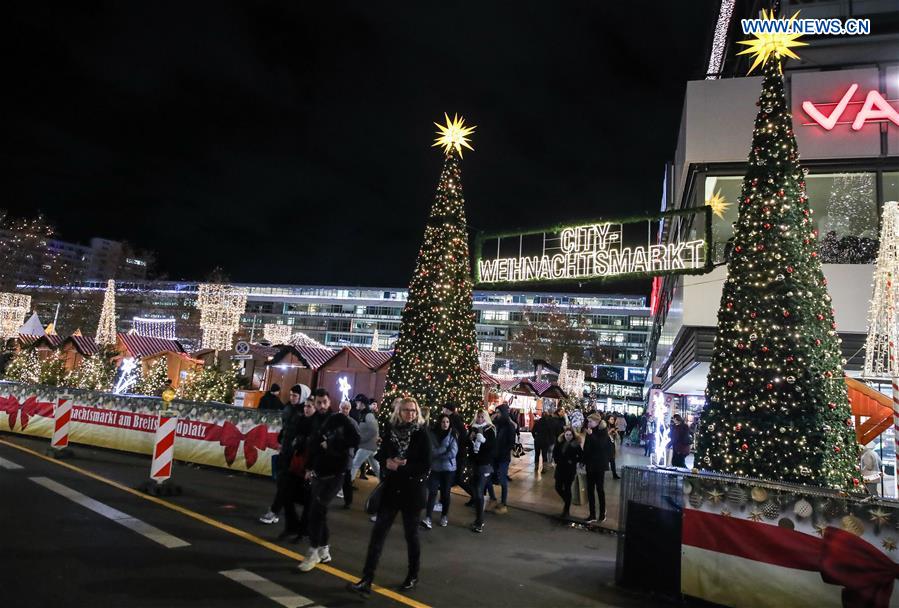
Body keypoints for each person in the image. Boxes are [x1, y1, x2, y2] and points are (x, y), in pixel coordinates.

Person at [349, 398, 432, 596]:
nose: (410, 414)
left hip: (412, 492)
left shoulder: (421, 433)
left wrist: (403, 466)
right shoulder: (391, 430)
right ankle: (367, 579)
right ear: (399, 412)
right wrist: (387, 460)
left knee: (411, 536)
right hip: (392, 490)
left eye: (413, 411)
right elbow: (382, 453)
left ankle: (412, 575)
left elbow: (426, 464)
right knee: (378, 534)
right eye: (406, 410)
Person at [298, 389, 360, 572]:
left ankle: (313, 551)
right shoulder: (313, 421)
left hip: (336, 473)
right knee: (319, 511)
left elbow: (356, 439)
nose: (321, 406)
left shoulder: (339, 419)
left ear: (329, 401)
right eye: (318, 402)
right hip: (319, 472)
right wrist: (308, 467)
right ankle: (324, 549)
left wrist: (332, 443)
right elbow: (312, 446)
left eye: (324, 402)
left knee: (316, 509)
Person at [259, 384, 310, 525]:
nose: (292, 397)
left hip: (295, 454)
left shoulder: (304, 412)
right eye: (291, 394)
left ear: (302, 396)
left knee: (286, 484)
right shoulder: (288, 407)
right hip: (285, 450)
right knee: (283, 483)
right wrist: (281, 440)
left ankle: (275, 511)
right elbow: (285, 428)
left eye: (295, 396)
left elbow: (303, 434)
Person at [279, 398, 317, 541]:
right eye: (305, 406)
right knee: (285, 494)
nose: (306, 409)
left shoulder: (317, 424)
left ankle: (302, 531)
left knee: (308, 502)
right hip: (296, 463)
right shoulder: (300, 421)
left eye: (310, 406)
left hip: (308, 467)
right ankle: (292, 526)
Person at [422, 413, 458, 529]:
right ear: (439, 423)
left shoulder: (453, 435)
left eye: (447, 422)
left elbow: (453, 452)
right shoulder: (433, 434)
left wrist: (439, 455)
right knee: (432, 492)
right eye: (443, 422)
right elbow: (431, 451)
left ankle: (444, 515)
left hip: (448, 469)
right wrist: (443, 449)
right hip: (435, 468)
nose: (445, 424)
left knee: (445, 493)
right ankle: (428, 517)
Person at [467, 408, 496, 533]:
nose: (480, 419)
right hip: (474, 464)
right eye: (478, 417)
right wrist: (470, 439)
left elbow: (493, 447)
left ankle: (479, 522)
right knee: (476, 491)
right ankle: (478, 519)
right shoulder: (472, 428)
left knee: (479, 492)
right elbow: (468, 445)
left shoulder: (490, 429)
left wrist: (483, 441)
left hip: (485, 464)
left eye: (482, 417)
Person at [582, 413, 613, 524]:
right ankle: (592, 514)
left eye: (590, 421)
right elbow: (586, 447)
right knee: (590, 489)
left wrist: (591, 435)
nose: (589, 423)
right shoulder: (590, 431)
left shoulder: (603, 431)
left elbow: (600, 446)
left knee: (600, 489)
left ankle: (602, 513)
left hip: (599, 465)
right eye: (588, 421)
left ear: (597, 422)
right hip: (590, 464)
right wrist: (583, 460)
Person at [487, 403, 515, 514]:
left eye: (499, 412)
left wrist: (503, 452)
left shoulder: (509, 426)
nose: (497, 414)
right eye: (496, 412)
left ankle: (503, 503)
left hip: (503, 457)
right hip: (494, 456)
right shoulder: (495, 424)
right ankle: (493, 499)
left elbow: (511, 443)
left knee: (503, 480)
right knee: (488, 477)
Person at [553, 426, 582, 519]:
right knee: (557, 487)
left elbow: (581, 456)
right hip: (560, 468)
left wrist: (573, 461)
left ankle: (566, 510)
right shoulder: (560, 442)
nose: (568, 436)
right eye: (567, 435)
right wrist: (556, 460)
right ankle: (567, 500)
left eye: (570, 435)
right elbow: (555, 452)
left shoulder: (576, 444)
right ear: (564, 434)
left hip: (569, 470)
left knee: (567, 488)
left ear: (573, 435)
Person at [350, 398, 381, 482]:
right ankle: (385, 483)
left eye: (357, 402)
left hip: (367, 446)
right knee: (376, 467)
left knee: (355, 464)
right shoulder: (365, 414)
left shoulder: (368, 415)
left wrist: (361, 439)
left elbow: (373, 430)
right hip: (370, 446)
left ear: (362, 403)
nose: (356, 404)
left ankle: (346, 486)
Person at [336, 400, 360, 508]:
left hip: (347, 453)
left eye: (347, 408)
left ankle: (348, 501)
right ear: (339, 408)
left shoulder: (353, 423)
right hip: (334, 452)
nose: (345, 410)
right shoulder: (334, 419)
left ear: (349, 410)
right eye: (343, 408)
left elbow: (357, 439)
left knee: (347, 478)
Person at [442, 403, 468, 488]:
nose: (442, 410)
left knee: (458, 478)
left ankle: (475, 494)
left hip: (458, 451)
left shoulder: (453, 420)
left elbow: (459, 436)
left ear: (448, 410)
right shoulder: (455, 419)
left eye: (443, 408)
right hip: (459, 451)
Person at [606, 415, 621, 480]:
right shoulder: (605, 427)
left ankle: (614, 474)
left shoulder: (613, 427)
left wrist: (615, 433)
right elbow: (604, 435)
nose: (613, 421)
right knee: (605, 460)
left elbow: (617, 438)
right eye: (611, 419)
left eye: (613, 419)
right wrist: (610, 431)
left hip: (612, 445)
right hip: (606, 446)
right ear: (608, 420)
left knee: (612, 460)